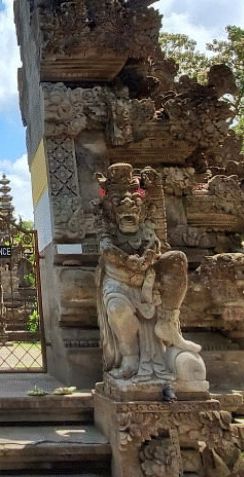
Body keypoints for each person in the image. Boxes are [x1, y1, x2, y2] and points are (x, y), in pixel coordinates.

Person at [94, 163, 201, 383]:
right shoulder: (105, 225)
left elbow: (156, 245)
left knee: (177, 259)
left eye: (134, 199)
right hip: (118, 280)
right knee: (117, 308)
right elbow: (106, 249)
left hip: (149, 280)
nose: (127, 203)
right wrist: (130, 262)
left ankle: (168, 322)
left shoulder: (146, 225)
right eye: (118, 200)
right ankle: (130, 357)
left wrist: (148, 258)